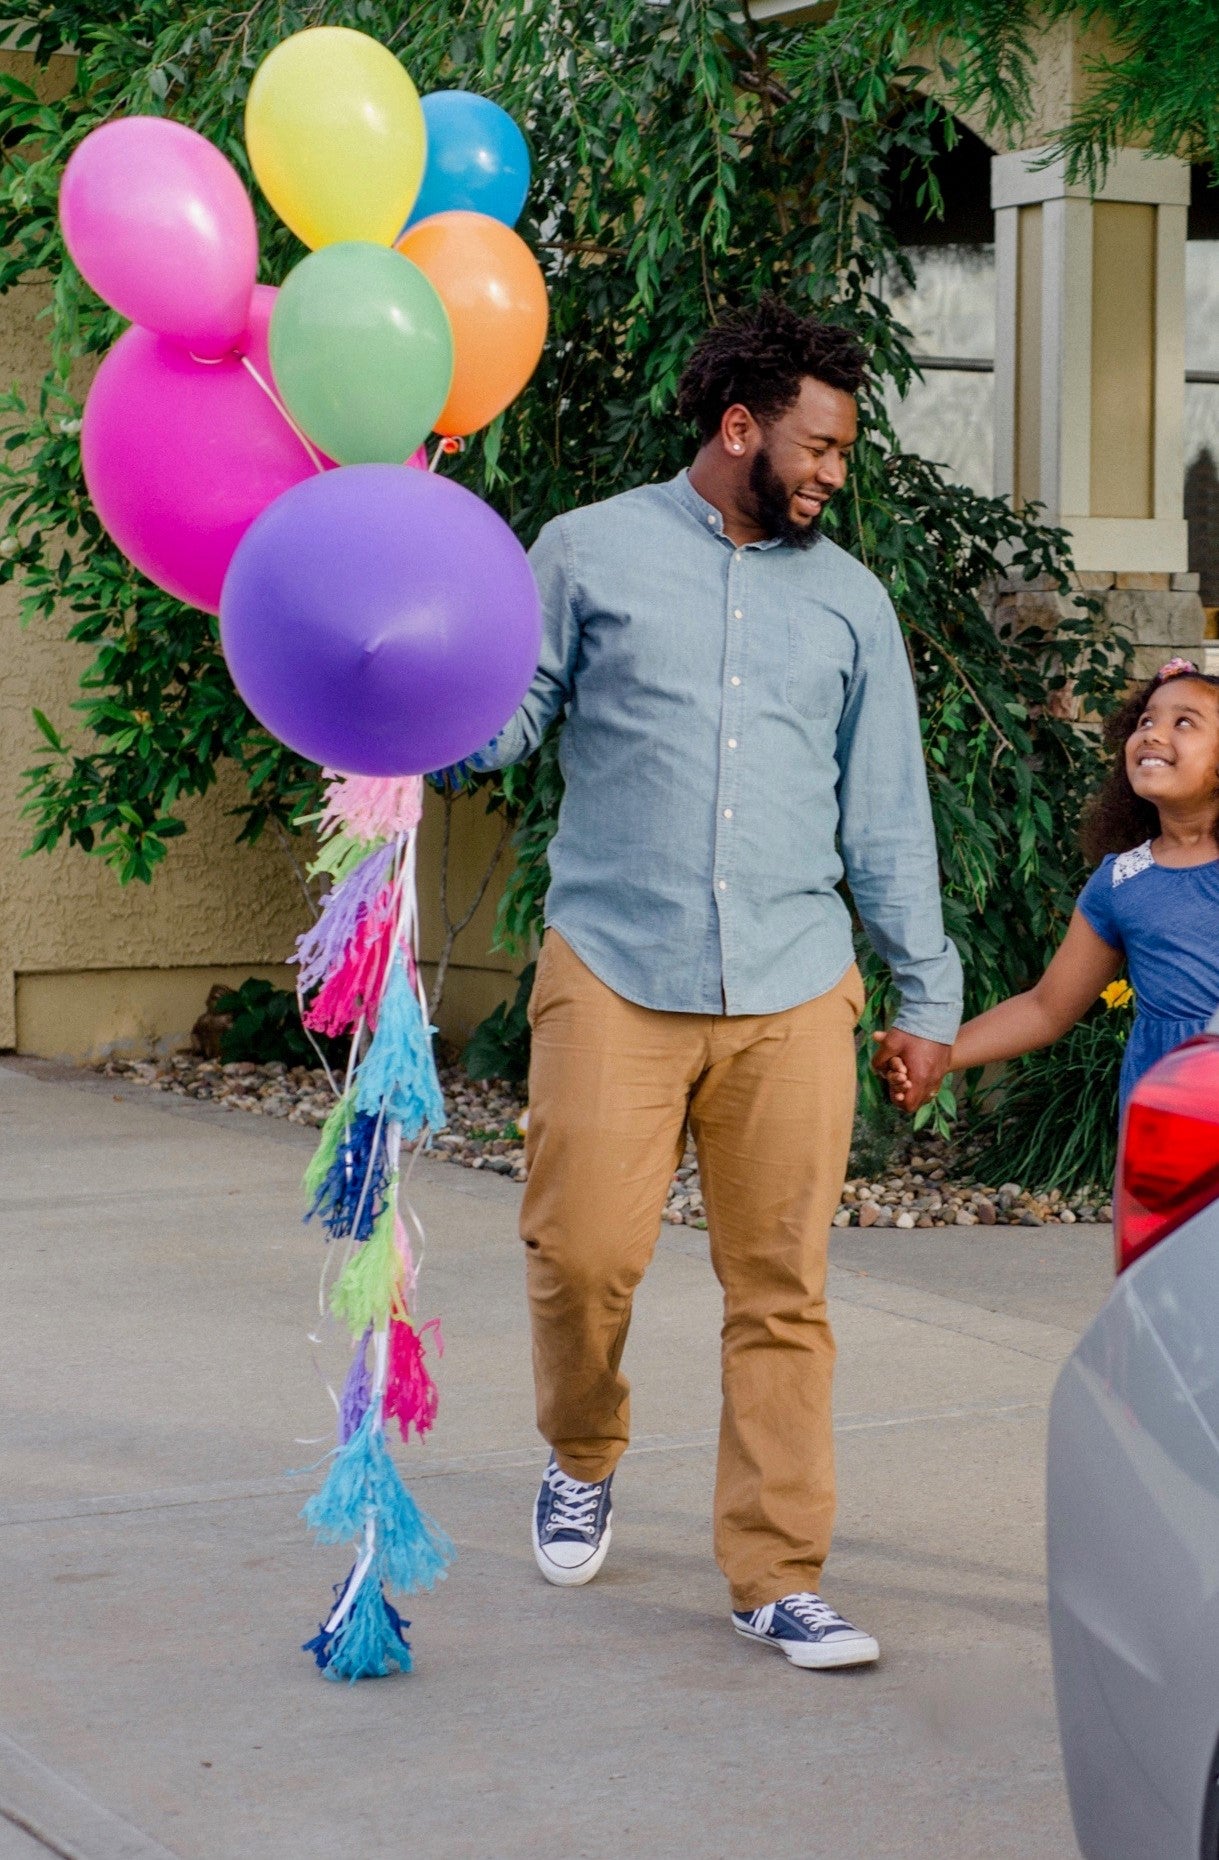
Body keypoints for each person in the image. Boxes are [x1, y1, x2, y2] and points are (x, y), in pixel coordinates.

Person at [464, 295, 962, 1669]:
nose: (830, 473)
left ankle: (775, 1570)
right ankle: (581, 1448)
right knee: (580, 1256)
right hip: (612, 970)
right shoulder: (585, 553)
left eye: (842, 453)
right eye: (815, 446)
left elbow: (886, 816)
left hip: (795, 984)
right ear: (738, 426)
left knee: (780, 1289)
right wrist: (401, 715)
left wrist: (924, 996)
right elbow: (500, 726)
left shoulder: (850, 602)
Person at [874, 660, 1219, 1119]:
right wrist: (936, 1052)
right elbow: (1045, 1009)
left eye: (1183, 722)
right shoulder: (1120, 881)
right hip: (1165, 1121)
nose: (1153, 734)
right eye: (1145, 721)